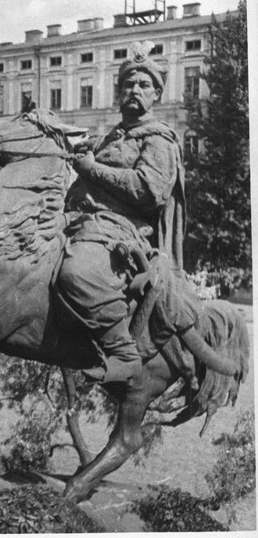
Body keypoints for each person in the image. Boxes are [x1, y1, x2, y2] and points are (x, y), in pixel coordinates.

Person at [55, 41, 188, 386]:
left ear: (157, 93)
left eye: (144, 85)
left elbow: (149, 190)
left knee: (76, 273)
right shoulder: (111, 136)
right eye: (128, 84)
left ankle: (124, 354)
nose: (135, 90)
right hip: (81, 219)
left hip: (122, 230)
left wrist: (92, 170)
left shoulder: (159, 138)